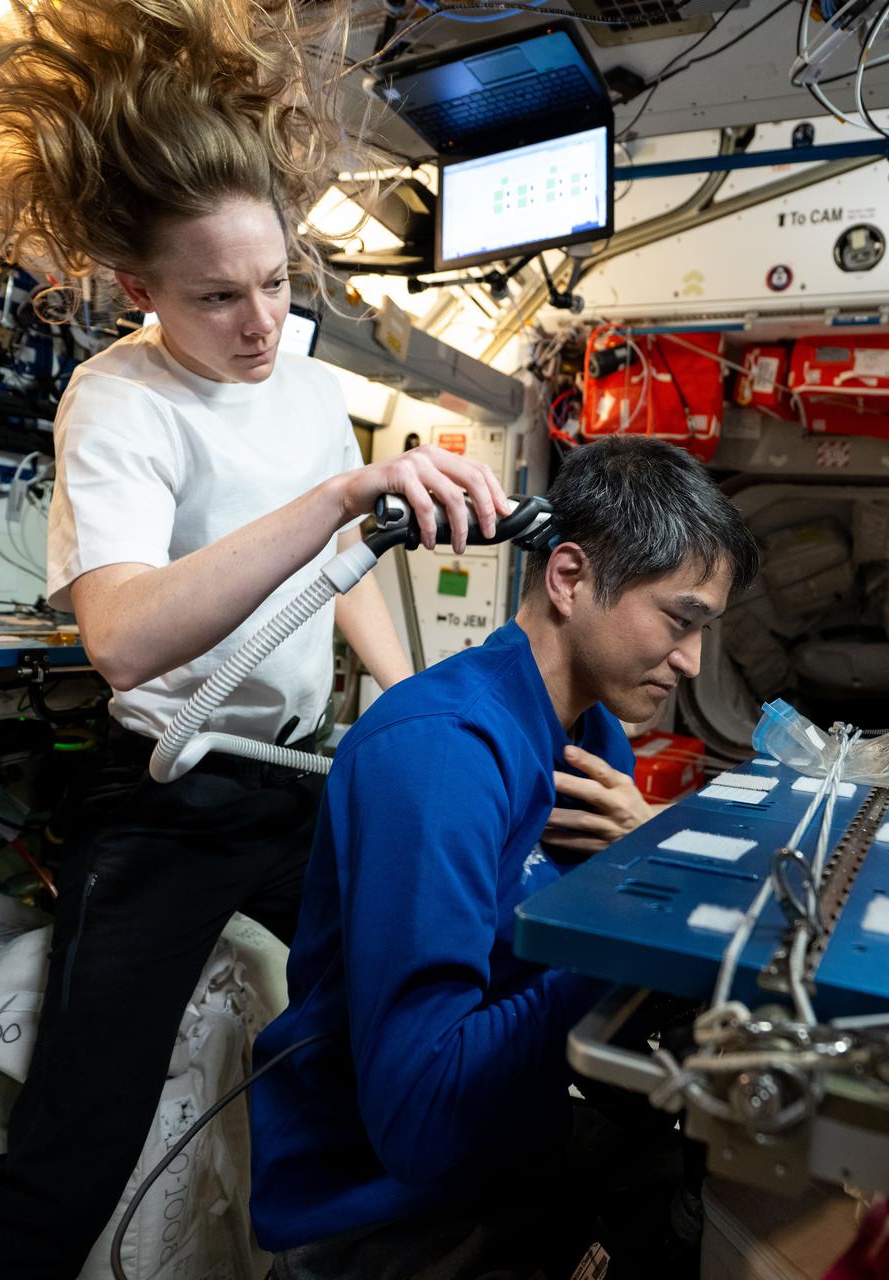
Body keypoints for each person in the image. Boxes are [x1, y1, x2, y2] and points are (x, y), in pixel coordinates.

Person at [0, 2, 572, 1274]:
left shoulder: (299, 380)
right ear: (140, 290)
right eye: (217, 296)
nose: (257, 323)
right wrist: (342, 494)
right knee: (72, 1153)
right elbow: (125, 639)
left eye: (276, 284)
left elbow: (336, 573)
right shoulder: (120, 399)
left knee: (444, 987)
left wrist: (404, 706)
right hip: (170, 790)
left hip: (303, 776)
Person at [249, 436, 761, 1280]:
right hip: (389, 1208)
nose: (692, 661)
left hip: (516, 1143)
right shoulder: (443, 754)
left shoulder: (590, 736)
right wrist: (638, 919)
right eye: (680, 620)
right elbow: (422, 1113)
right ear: (569, 578)